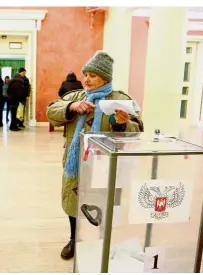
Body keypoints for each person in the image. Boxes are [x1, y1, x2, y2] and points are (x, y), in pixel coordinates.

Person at [46, 51, 144, 260]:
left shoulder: (120, 99)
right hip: (77, 162)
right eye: (86, 74)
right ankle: (74, 238)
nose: (87, 80)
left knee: (106, 203)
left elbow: (138, 129)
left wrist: (122, 123)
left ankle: (103, 240)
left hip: (108, 165)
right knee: (73, 200)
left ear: (105, 78)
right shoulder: (76, 96)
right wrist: (72, 107)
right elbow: (52, 112)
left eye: (93, 75)